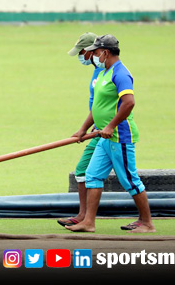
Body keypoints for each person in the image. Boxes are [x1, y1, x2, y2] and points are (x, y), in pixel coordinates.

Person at [66, 34, 155, 233]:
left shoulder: (120, 73)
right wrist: (83, 128)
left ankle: (147, 223)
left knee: (129, 180)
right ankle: (88, 222)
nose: (94, 55)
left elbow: (129, 102)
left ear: (105, 52)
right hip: (103, 137)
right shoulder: (104, 72)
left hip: (119, 136)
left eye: (96, 52)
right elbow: (97, 106)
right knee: (92, 175)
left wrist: (111, 126)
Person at [56, 32, 103, 228]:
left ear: (91, 50)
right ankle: (83, 216)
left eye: (81, 52)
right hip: (99, 129)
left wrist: (83, 128)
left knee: (128, 179)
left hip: (110, 133)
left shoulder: (107, 71)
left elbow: (107, 104)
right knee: (82, 171)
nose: (80, 57)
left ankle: (146, 221)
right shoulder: (96, 71)